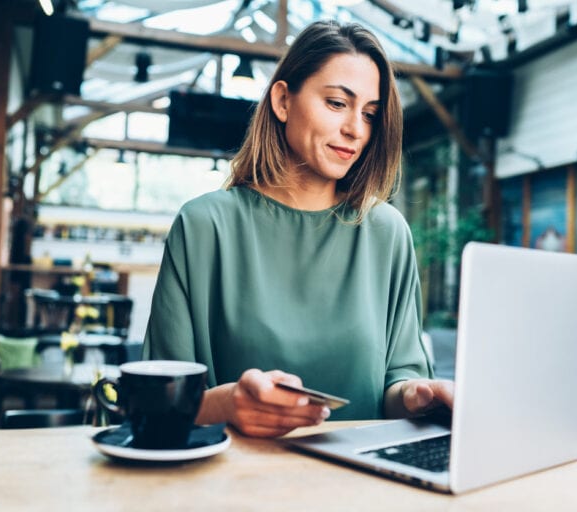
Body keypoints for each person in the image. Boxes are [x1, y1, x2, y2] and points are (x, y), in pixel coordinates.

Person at [144, 20, 453, 438]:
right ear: (283, 100)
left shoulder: (386, 232)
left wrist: (419, 394)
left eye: (369, 114)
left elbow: (398, 381)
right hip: (234, 490)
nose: (356, 130)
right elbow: (156, 404)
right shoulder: (204, 227)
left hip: (362, 489)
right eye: (336, 103)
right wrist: (225, 404)